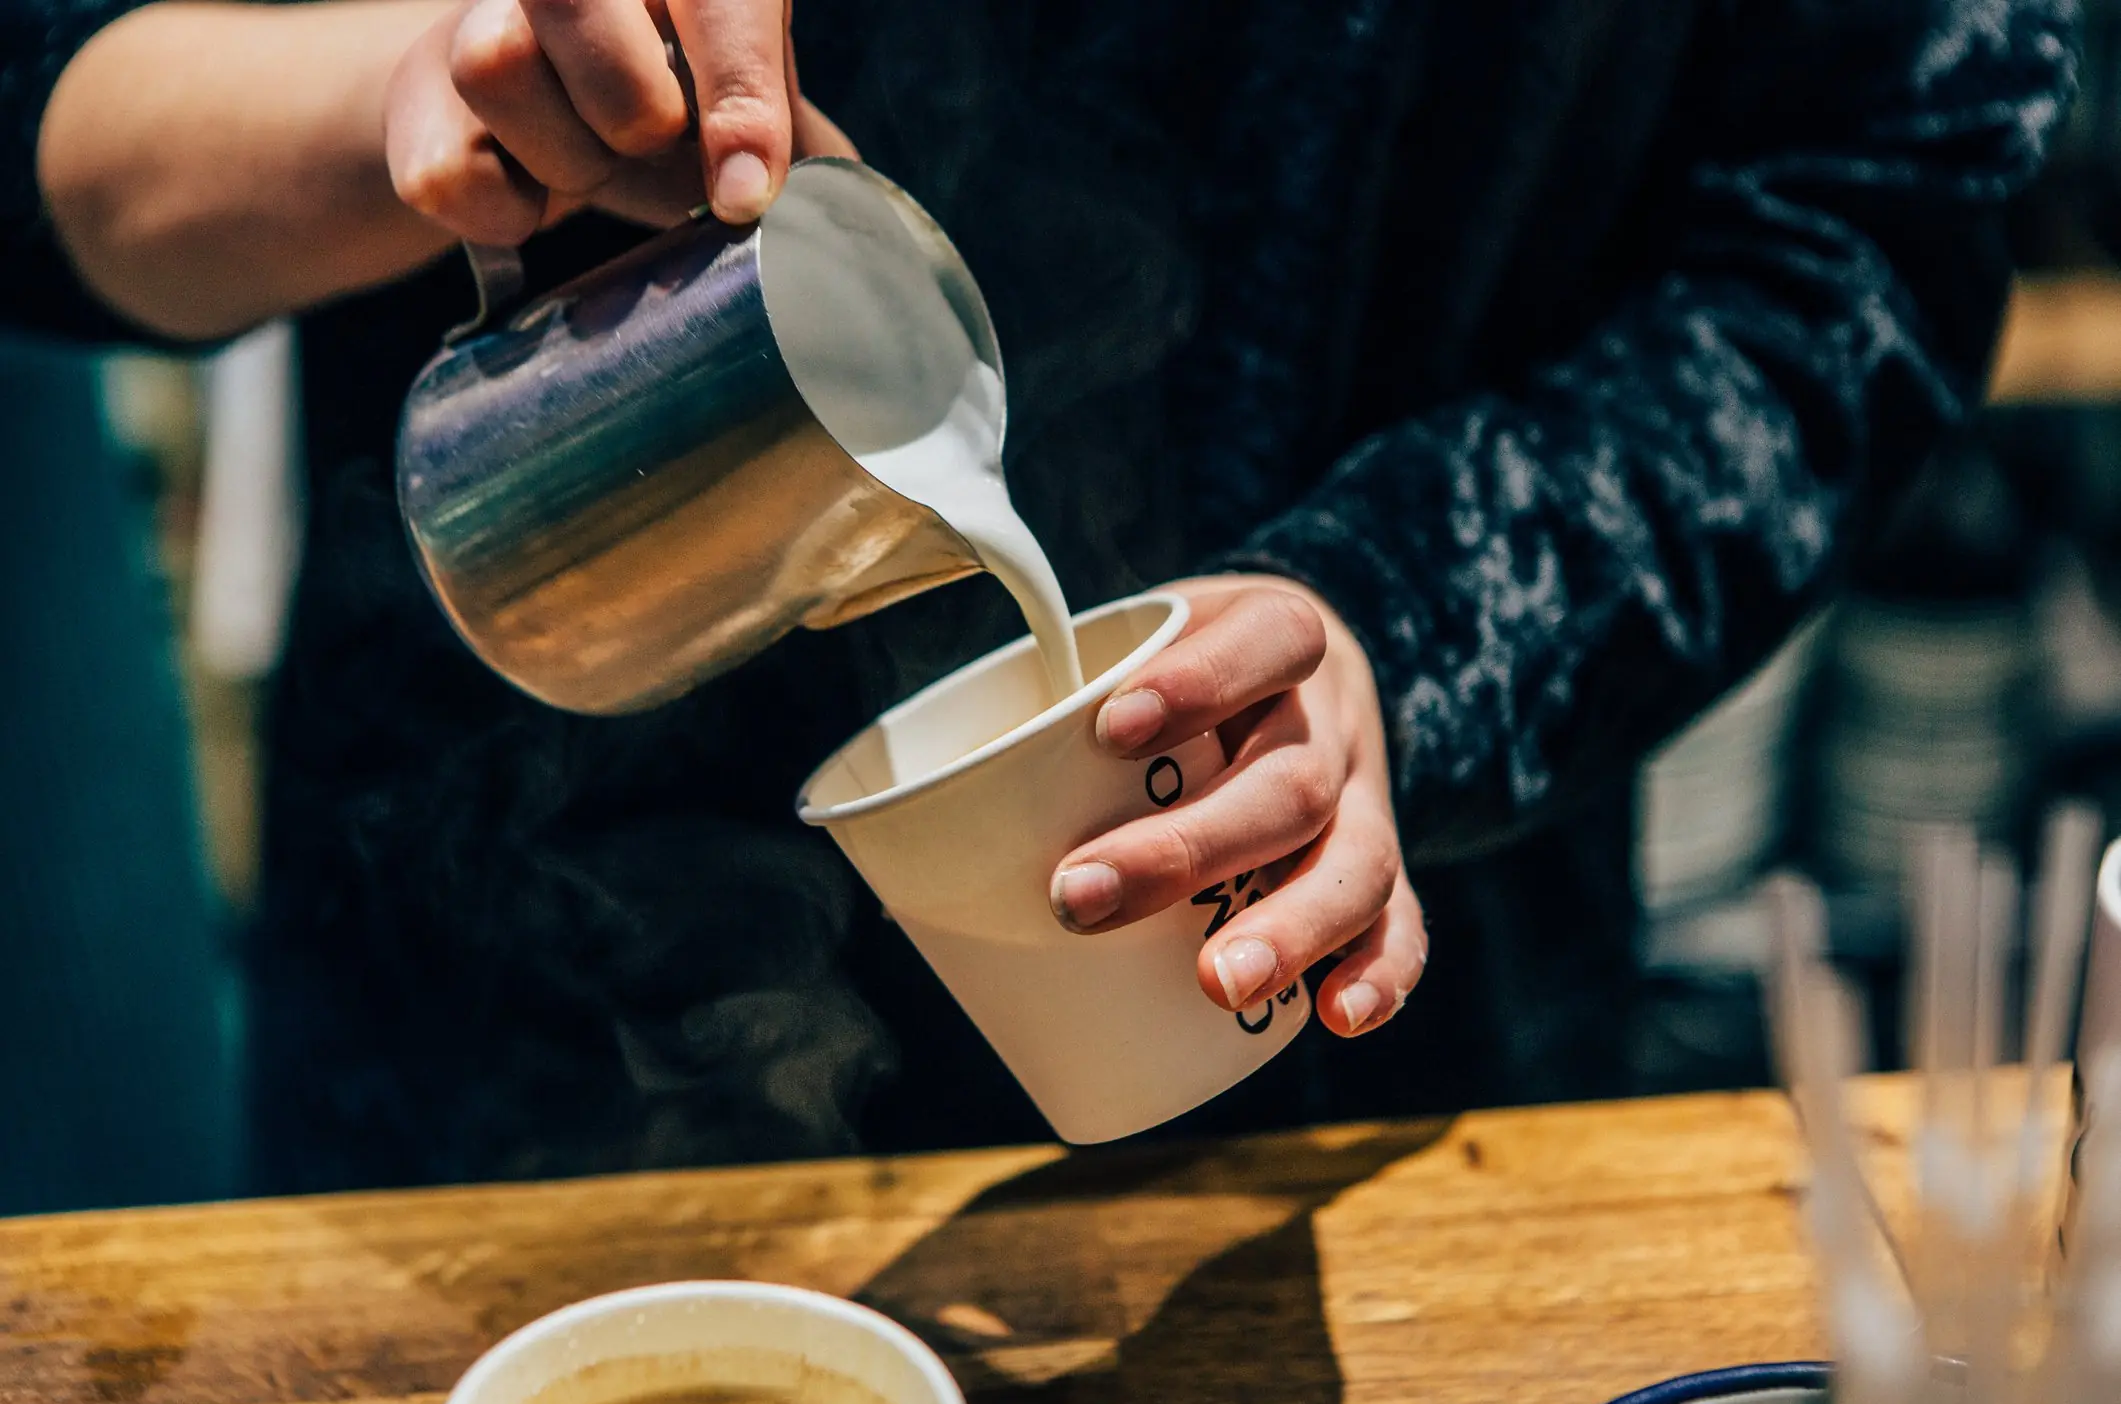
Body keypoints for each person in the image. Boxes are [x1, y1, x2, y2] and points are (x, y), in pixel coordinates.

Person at [0, 0, 2075, 1191]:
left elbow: (1871, 226)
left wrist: (1410, 620)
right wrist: (411, 102)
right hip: (515, 1066)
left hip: (1366, 1076)